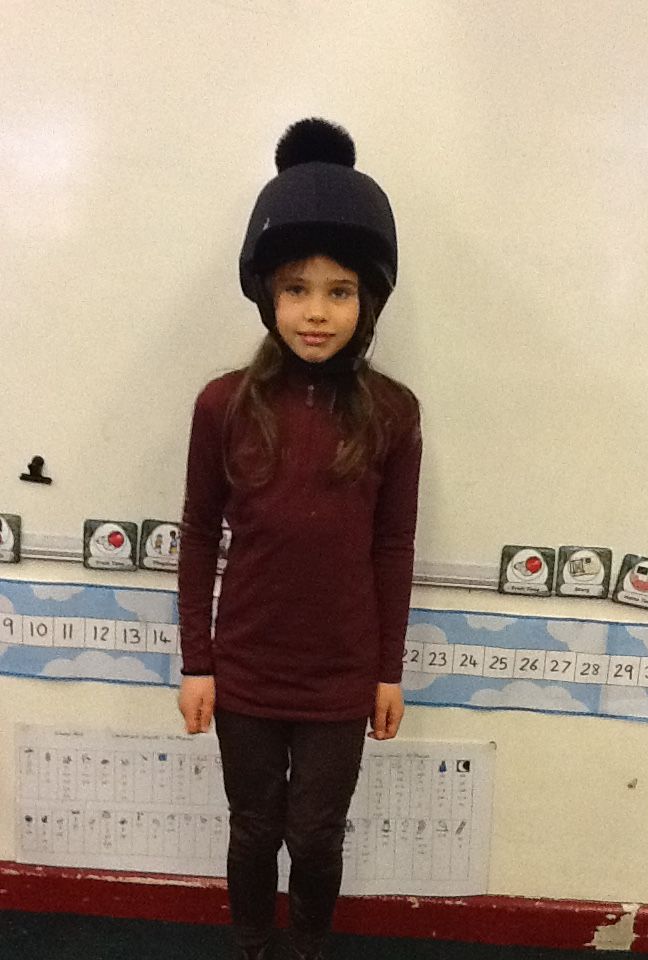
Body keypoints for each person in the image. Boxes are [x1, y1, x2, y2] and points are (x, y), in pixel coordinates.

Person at [177, 118, 422, 960]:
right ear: (267, 296)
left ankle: (309, 946)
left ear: (368, 301)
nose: (316, 312)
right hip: (246, 668)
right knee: (253, 829)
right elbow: (198, 535)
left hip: (340, 677)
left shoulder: (393, 413)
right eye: (296, 289)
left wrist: (387, 671)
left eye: (339, 291)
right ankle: (251, 943)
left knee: (315, 836)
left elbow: (393, 547)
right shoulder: (223, 404)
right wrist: (198, 662)